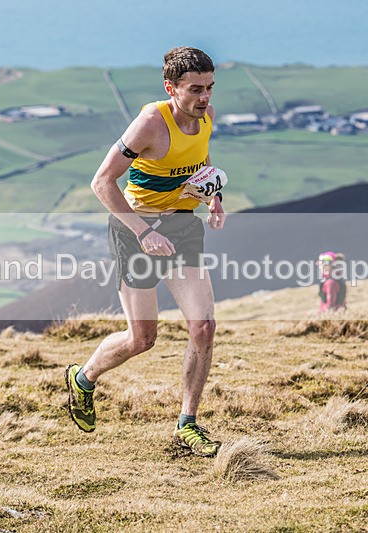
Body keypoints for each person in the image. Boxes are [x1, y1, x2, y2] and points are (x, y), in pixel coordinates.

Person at [64, 46, 226, 457]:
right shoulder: (151, 123)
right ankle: (83, 378)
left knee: (203, 327)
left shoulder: (205, 115)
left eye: (209, 87)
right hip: (134, 229)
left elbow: (200, 158)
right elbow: (102, 183)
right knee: (143, 338)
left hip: (183, 227)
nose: (204, 97)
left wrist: (213, 197)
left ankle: (188, 424)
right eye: (194, 89)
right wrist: (143, 232)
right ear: (171, 88)